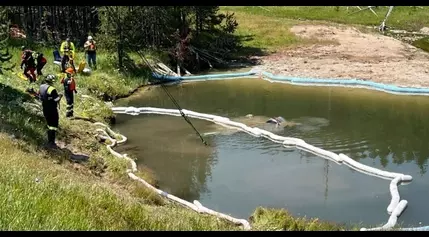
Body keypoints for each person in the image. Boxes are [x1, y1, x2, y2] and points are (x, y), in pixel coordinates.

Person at [39, 75, 63, 148]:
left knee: (49, 125)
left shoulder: (41, 86)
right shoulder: (52, 89)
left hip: (45, 108)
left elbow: (40, 96)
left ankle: (49, 141)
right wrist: (60, 96)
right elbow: (56, 99)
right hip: (52, 109)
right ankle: (51, 142)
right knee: (53, 125)